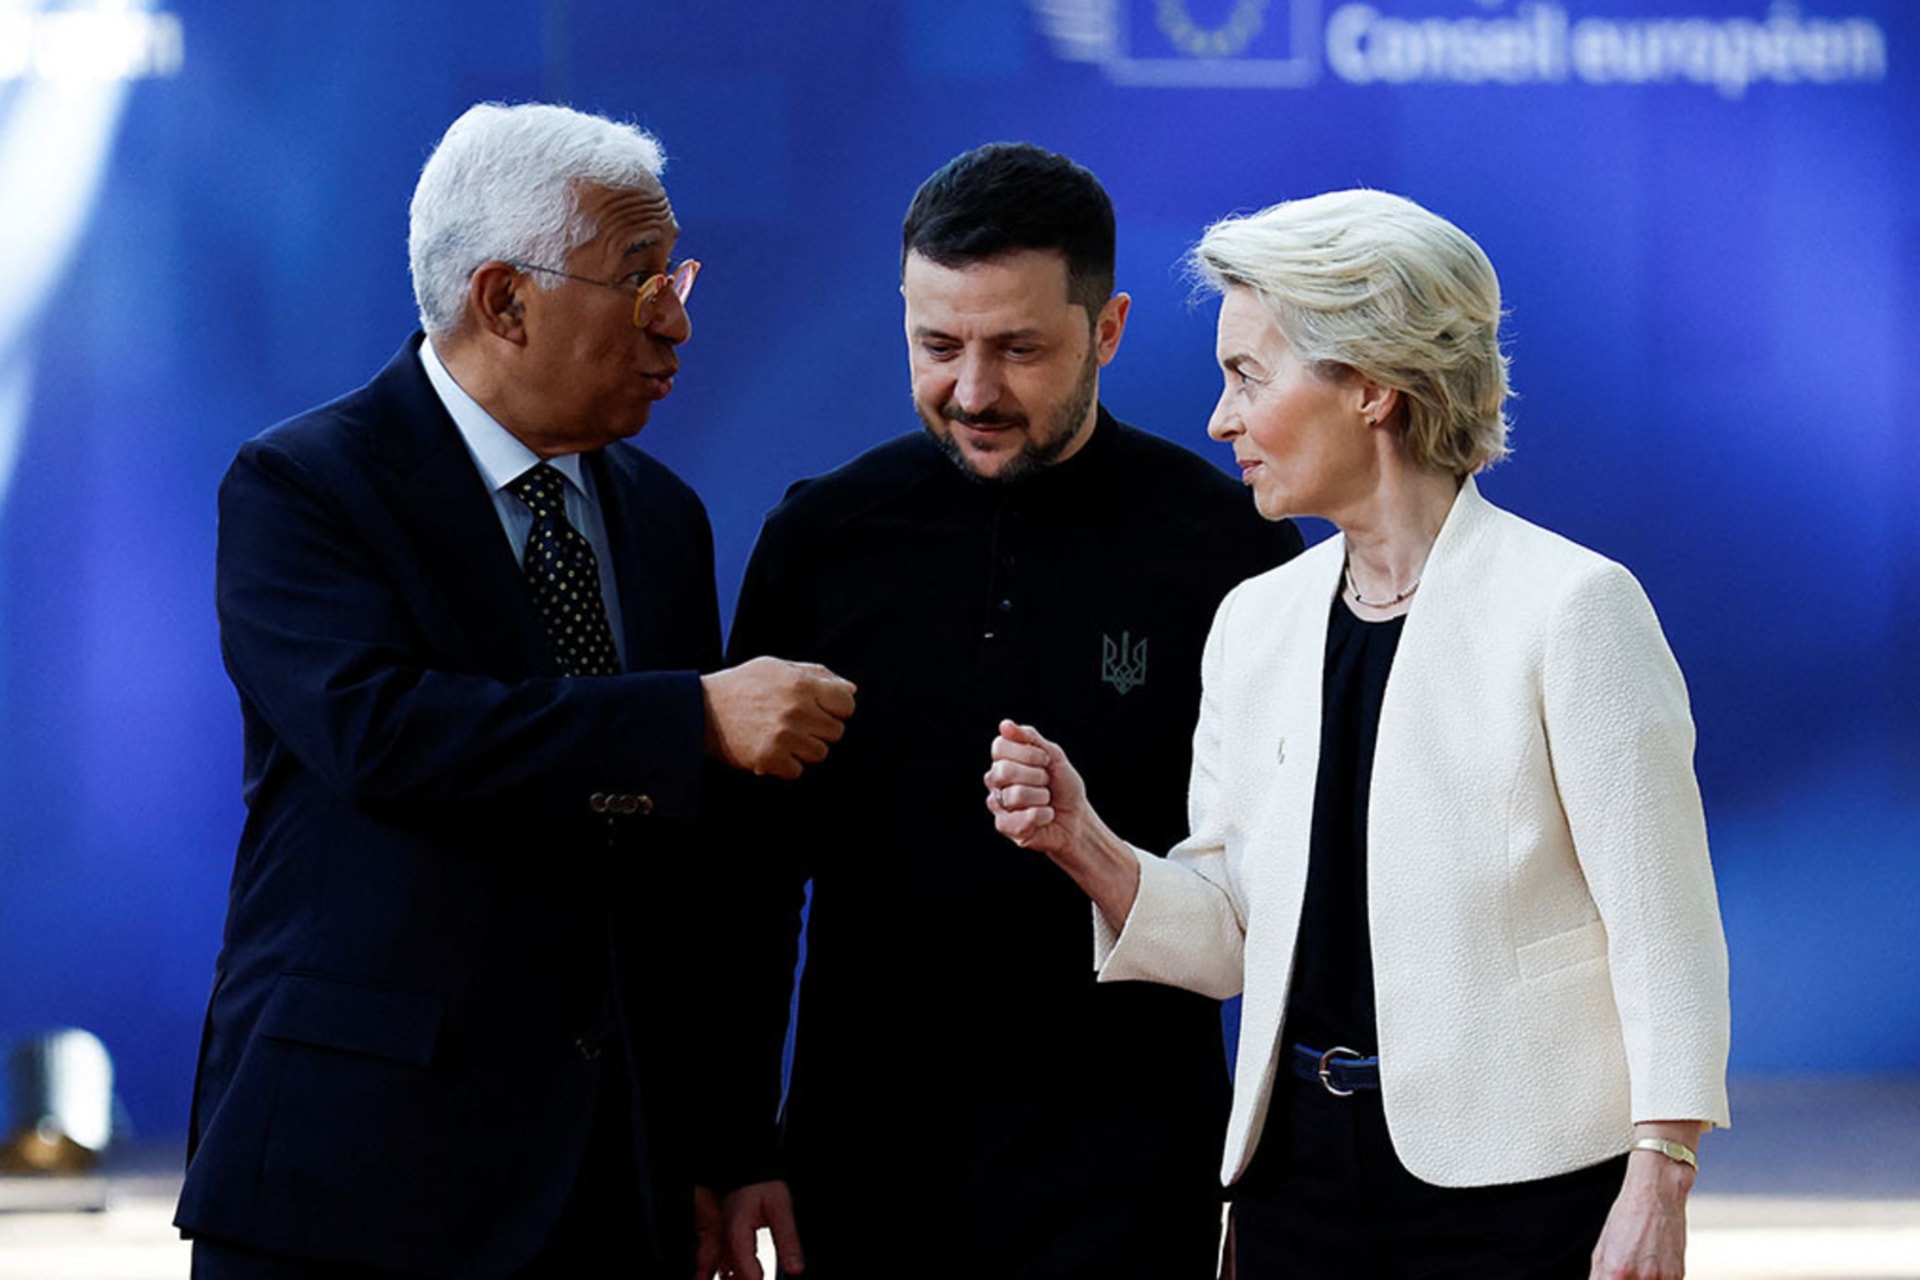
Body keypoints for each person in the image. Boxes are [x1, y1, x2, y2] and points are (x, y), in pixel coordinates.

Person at [985, 189, 1731, 1280]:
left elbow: (1666, 930)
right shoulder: (1255, 622)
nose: (1220, 419)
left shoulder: (1573, 607)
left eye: (1248, 375)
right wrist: (1083, 840)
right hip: (1295, 1183)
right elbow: (1233, 935)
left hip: (1523, 1195)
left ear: (1373, 384)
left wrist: (1661, 1170)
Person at [176, 102, 855, 1280]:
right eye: (640, 281)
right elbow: (381, 731)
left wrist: (726, 1139)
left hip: (609, 1188)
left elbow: (691, 880)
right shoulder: (304, 485)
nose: (677, 321)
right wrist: (688, 716)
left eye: (676, 276)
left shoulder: (661, 516)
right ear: (505, 300)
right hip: (356, 1181)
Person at [711, 143, 1302, 1280]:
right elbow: (748, 881)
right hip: (859, 1160)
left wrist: (1270, 1180)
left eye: (1019, 349)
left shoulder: (1230, 552)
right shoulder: (821, 541)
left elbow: (1278, 895)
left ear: (1108, 329)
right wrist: (735, 1147)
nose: (974, 391)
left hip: (1134, 1166)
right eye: (938, 346)